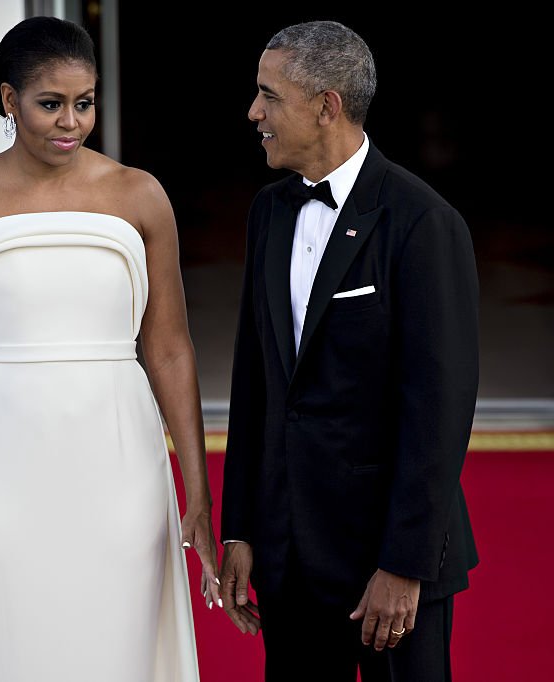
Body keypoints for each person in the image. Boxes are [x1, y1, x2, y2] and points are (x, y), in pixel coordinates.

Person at [0, 16, 217, 681]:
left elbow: (170, 351)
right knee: (3, 647)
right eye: (51, 104)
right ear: (10, 101)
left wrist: (198, 493)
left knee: (114, 647)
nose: (70, 122)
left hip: (120, 465)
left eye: (84, 103)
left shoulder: (139, 197)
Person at [219, 20, 480, 681]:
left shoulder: (425, 224)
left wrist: (404, 564)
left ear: (326, 105)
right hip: (290, 558)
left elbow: (439, 412)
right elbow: (255, 383)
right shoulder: (268, 213)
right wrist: (241, 528)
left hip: (386, 568)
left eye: (269, 96)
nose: (254, 113)